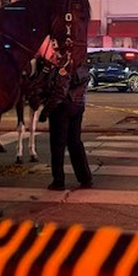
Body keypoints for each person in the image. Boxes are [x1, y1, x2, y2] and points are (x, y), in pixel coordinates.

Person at [47, 60, 93, 191]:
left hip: (62, 108)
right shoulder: (82, 66)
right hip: (78, 105)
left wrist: (46, 111)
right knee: (75, 142)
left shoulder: (64, 66)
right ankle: (85, 178)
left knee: (57, 145)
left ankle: (58, 181)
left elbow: (59, 91)